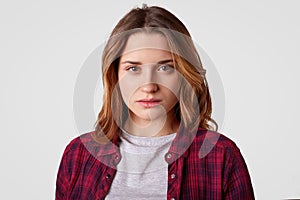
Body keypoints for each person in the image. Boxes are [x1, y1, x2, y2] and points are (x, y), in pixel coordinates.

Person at [55, 5, 255, 200]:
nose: (149, 86)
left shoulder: (221, 156)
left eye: (165, 68)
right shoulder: (78, 155)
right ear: (114, 76)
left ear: (184, 74)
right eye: (133, 69)